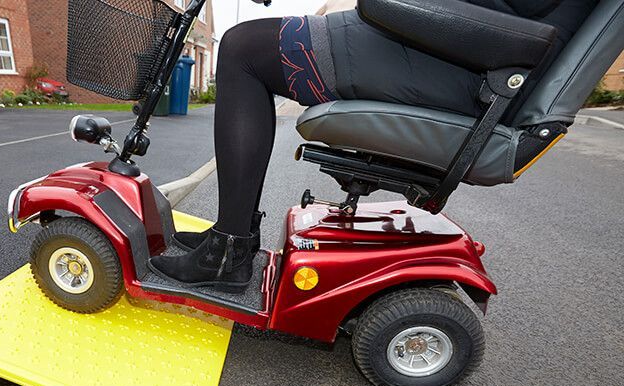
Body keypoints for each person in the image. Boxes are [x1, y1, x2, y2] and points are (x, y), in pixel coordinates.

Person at [149, 0, 597, 290]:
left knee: (244, 47)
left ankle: (229, 248)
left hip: (470, 63)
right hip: (461, 51)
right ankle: (233, 239)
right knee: (248, 44)